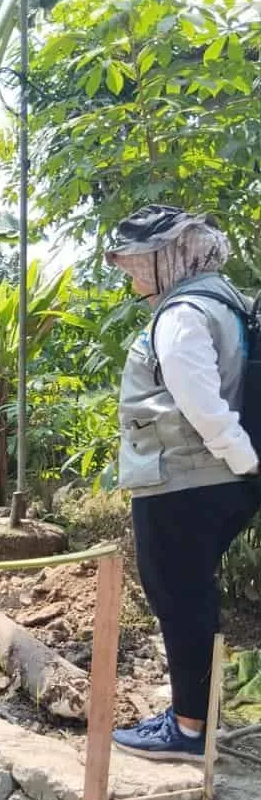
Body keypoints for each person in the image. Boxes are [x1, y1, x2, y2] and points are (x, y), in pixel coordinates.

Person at [107, 205, 261, 762]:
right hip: (216, 479)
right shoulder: (225, 300)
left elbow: (199, 399)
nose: (133, 276)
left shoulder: (183, 313)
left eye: (138, 263)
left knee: (178, 596)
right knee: (193, 594)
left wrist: (242, 456)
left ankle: (189, 730)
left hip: (185, 478)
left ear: (169, 255)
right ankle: (196, 716)